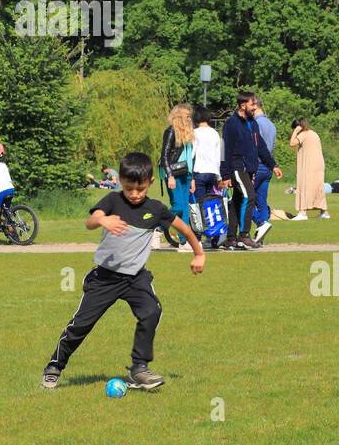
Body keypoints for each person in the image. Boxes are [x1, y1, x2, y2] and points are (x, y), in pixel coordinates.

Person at [41, 152, 204, 391]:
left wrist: (198, 253)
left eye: (140, 189)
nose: (135, 194)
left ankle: (139, 368)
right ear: (121, 183)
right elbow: (91, 220)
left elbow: (184, 229)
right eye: (129, 189)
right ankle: (54, 366)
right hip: (104, 278)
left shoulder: (156, 209)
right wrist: (103, 221)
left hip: (136, 278)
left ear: (149, 182)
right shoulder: (113, 201)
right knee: (81, 325)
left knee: (151, 311)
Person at [220, 91, 281, 249]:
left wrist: (273, 165)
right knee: (250, 196)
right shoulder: (231, 123)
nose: (255, 106)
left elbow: (260, 147)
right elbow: (225, 150)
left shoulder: (253, 123)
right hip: (237, 167)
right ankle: (244, 236)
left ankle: (231, 238)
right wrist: (225, 174)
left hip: (249, 168)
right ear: (242, 105)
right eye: (252, 104)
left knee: (237, 201)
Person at [159, 104, 195, 228]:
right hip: (173, 173)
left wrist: (192, 177)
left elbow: (190, 157)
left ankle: (183, 242)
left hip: (186, 173)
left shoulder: (188, 134)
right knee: (178, 206)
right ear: (179, 118)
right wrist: (170, 176)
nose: (190, 119)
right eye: (187, 117)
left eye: (190, 117)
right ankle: (158, 228)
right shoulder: (170, 131)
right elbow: (164, 156)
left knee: (185, 208)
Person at [287, 118, 328, 222]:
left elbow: (292, 143)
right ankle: (324, 212)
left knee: (305, 186)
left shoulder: (303, 134)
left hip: (309, 165)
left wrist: (296, 131)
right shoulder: (314, 133)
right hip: (319, 165)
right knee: (318, 187)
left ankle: (302, 212)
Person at [251, 98, 279, 236]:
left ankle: (261, 223)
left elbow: (254, 147)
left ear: (255, 106)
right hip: (268, 167)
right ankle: (260, 235)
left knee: (245, 199)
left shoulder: (255, 124)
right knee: (261, 201)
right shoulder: (271, 125)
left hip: (257, 166)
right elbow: (272, 148)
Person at [191, 106, 222, 203]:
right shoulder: (215, 133)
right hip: (212, 173)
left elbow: (191, 155)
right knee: (207, 203)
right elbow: (218, 157)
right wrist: (219, 177)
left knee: (198, 203)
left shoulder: (195, 133)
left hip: (199, 172)